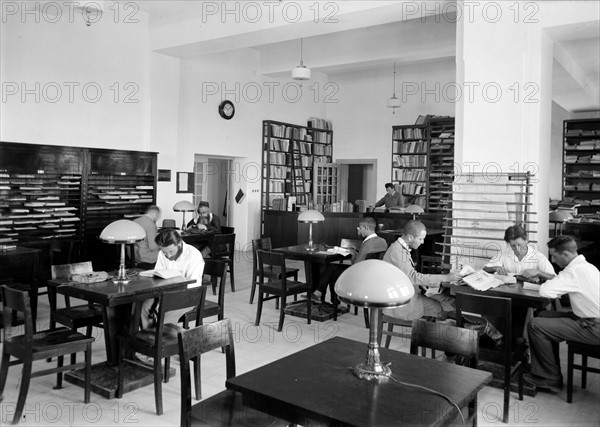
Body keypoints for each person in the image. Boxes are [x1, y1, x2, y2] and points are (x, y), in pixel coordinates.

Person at [522, 235, 599, 390]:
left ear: (565, 254)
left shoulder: (572, 272)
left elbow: (545, 291)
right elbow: (560, 284)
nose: (553, 260)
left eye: (554, 256)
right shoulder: (587, 266)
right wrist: (543, 275)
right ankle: (548, 367)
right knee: (543, 315)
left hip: (593, 327)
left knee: (535, 325)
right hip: (588, 318)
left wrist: (542, 277)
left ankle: (550, 377)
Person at [382, 220, 458, 320]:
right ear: (410, 237)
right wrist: (446, 277)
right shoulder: (397, 251)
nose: (422, 242)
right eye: (420, 239)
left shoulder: (400, 248)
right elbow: (413, 276)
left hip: (406, 294)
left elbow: (407, 275)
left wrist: (422, 284)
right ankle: (429, 331)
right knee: (445, 307)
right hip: (401, 301)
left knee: (448, 301)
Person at [311, 217, 388, 304]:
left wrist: (354, 254)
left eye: (360, 228)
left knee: (330, 268)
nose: (358, 230)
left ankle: (319, 294)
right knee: (332, 272)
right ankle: (331, 300)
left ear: (366, 228)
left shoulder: (367, 244)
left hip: (360, 276)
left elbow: (355, 264)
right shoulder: (383, 241)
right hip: (372, 274)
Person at [140, 228, 205, 330]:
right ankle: (151, 339)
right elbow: (159, 276)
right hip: (166, 292)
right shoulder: (162, 253)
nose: (168, 255)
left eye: (171, 251)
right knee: (145, 306)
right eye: (164, 252)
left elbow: (193, 285)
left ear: (178, 243)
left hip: (189, 295)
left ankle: (165, 342)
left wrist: (166, 299)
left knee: (165, 313)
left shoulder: (193, 255)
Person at [484, 224, 555, 276]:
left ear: (526, 240)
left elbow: (553, 277)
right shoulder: (503, 253)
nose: (517, 249)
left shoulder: (538, 257)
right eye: (513, 246)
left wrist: (539, 272)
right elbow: (485, 269)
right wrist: (495, 268)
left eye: (519, 245)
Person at [133, 205, 161, 270]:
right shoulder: (150, 224)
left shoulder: (135, 221)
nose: (158, 219)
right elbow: (153, 246)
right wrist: (161, 243)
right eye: (158, 217)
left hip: (134, 256)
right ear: (155, 214)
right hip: (146, 258)